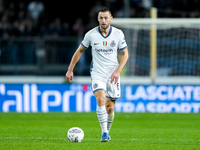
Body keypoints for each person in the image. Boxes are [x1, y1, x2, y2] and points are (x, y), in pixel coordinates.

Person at [65, 7, 129, 142]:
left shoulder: (118, 34)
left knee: (110, 108)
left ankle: (107, 131)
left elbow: (125, 54)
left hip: (113, 74)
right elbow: (80, 50)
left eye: (106, 18)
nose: (103, 20)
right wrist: (70, 69)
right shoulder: (91, 34)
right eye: (101, 18)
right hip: (97, 72)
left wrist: (117, 71)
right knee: (100, 99)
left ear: (111, 19)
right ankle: (104, 133)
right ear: (98, 19)